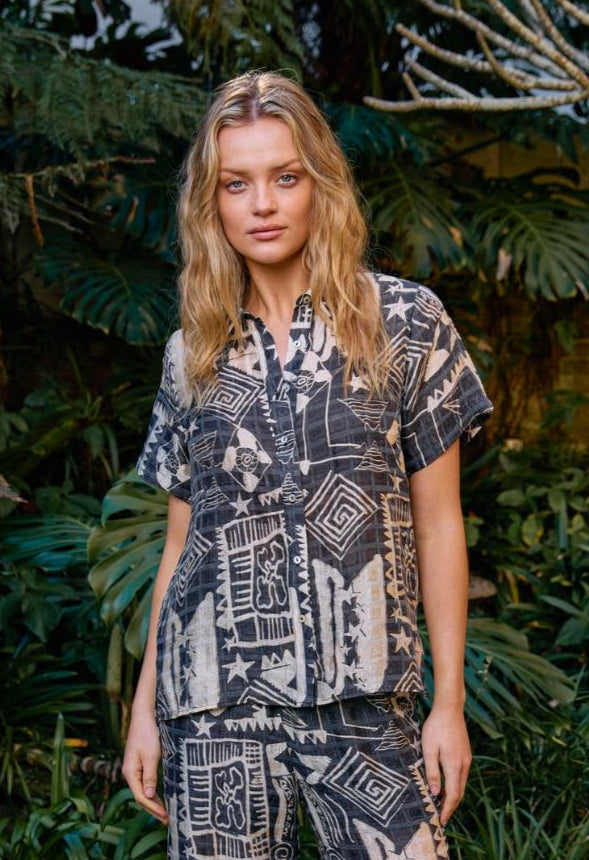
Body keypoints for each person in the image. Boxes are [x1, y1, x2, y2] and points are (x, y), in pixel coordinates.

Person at [122, 71, 493, 860]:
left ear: (319, 185)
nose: (261, 203)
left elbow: (438, 524)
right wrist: (144, 711)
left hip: (367, 701)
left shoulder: (404, 321)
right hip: (214, 708)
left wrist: (448, 704)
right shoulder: (191, 354)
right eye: (236, 183)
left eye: (284, 178)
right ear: (210, 203)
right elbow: (178, 551)